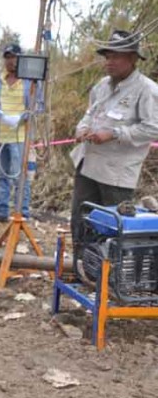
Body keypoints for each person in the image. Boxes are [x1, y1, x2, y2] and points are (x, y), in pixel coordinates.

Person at [70, 30, 158, 242]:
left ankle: (108, 275)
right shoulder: (101, 86)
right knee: (80, 224)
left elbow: (153, 128)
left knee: (111, 232)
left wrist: (114, 133)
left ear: (132, 59)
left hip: (116, 176)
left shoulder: (147, 90)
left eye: (116, 57)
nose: (110, 62)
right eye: (108, 57)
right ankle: (81, 269)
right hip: (88, 165)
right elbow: (89, 114)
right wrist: (81, 129)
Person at [0, 43, 33, 222]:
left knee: (19, 177)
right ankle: (1, 213)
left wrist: (21, 118)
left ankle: (22, 214)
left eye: (14, 57)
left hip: (20, 137)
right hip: (0, 136)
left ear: (20, 58)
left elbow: (36, 107)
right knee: (1, 176)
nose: (10, 61)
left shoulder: (29, 82)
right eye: (7, 57)